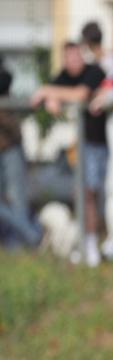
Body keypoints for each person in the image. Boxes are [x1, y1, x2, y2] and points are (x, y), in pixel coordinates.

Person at [30, 42, 107, 267]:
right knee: (84, 193)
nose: (73, 62)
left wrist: (48, 92)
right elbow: (52, 96)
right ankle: (88, 243)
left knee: (96, 194)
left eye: (76, 57)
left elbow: (80, 94)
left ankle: (95, 243)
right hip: (79, 147)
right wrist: (51, 98)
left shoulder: (94, 71)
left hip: (100, 143)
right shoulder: (63, 76)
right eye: (68, 58)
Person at [0, 55, 41, 248]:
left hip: (10, 146)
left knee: (17, 198)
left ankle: (20, 242)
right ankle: (31, 235)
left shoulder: (4, 76)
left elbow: (4, 80)